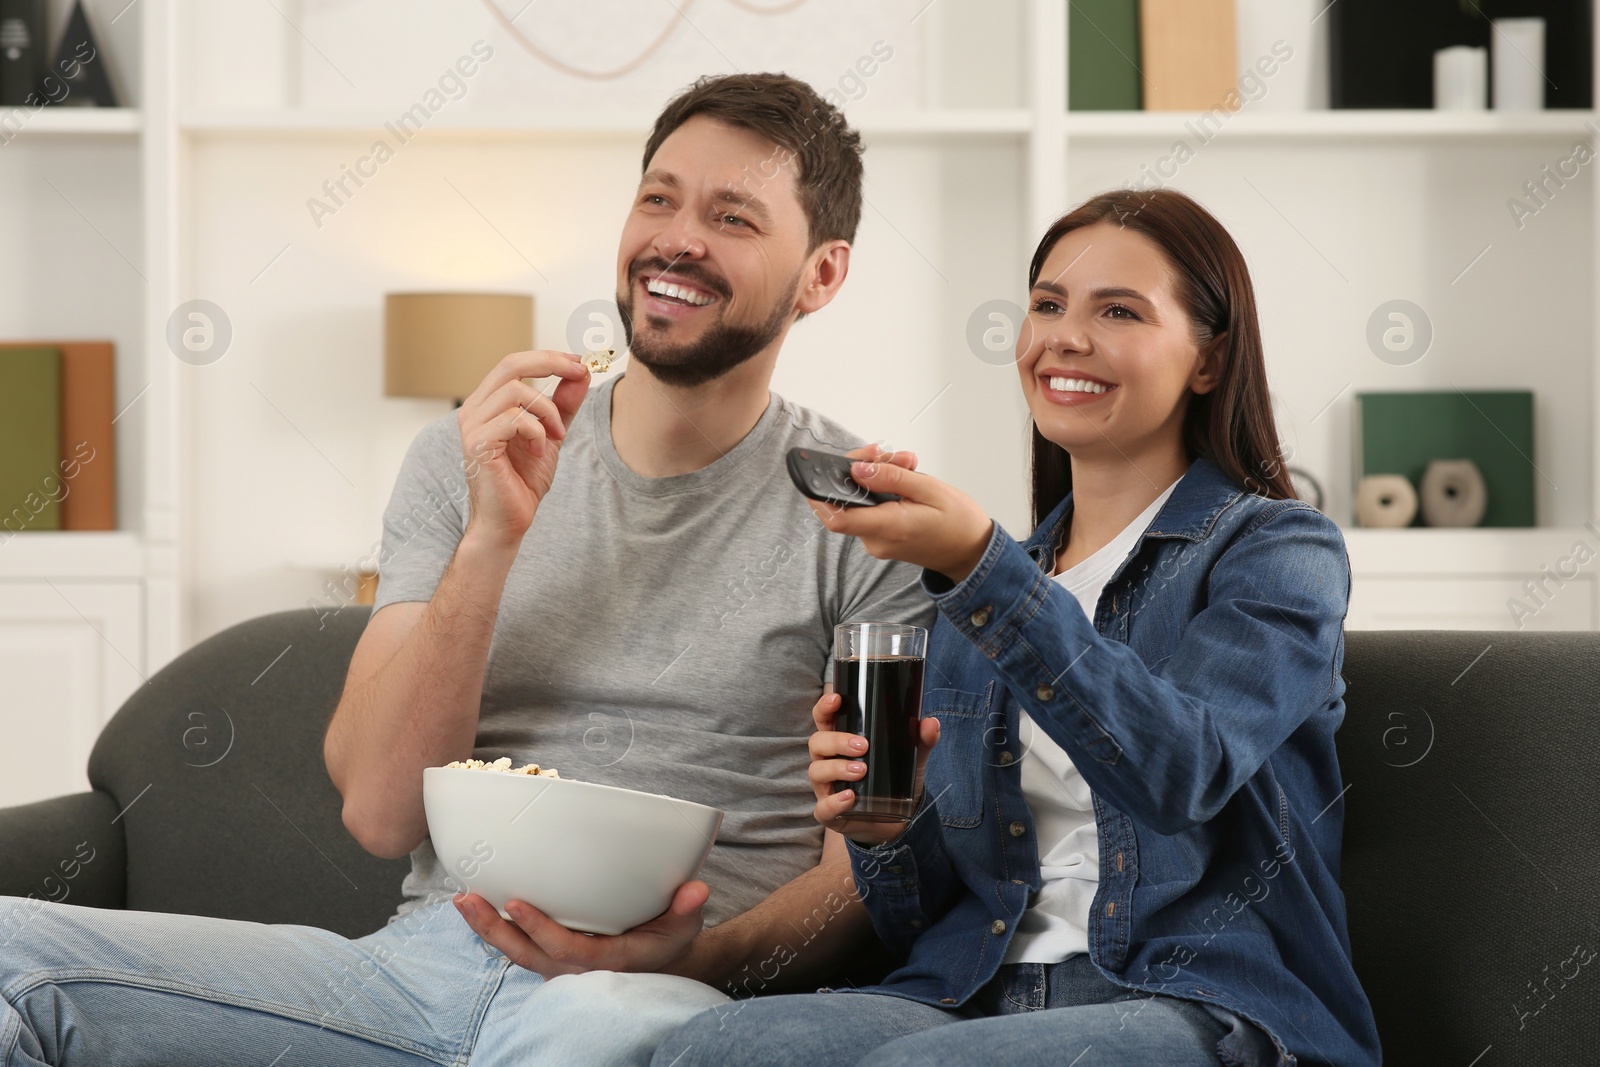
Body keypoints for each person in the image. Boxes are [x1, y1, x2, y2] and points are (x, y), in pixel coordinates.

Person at [0, 73, 934, 1067]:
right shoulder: (466, 458)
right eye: (657, 197)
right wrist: (491, 538)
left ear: (821, 275)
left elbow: (866, 862)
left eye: (732, 215)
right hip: (409, 970)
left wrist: (703, 956)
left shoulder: (865, 515)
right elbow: (379, 808)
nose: (678, 238)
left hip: (646, 996)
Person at [655, 188, 1383, 1067]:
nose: (1063, 338)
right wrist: (883, 830)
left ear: (1208, 359)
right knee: (714, 1049)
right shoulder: (995, 585)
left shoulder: (1278, 552)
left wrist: (977, 565)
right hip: (979, 989)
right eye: (1047, 304)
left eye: (1117, 310)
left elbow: (1179, 771)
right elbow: (919, 913)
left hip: (1191, 1000)